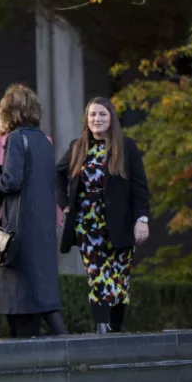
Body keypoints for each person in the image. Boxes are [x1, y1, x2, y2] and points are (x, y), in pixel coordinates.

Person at [56, 97, 150, 333]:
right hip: (87, 225)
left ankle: (116, 328)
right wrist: (64, 203)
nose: (96, 119)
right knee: (98, 276)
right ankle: (101, 329)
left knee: (118, 278)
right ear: (86, 120)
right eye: (92, 115)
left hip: (121, 224)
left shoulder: (126, 147)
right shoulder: (78, 147)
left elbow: (139, 187)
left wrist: (142, 219)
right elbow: (57, 174)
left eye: (102, 115)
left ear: (111, 119)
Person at [0, 84, 66, 338]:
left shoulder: (17, 138)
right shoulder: (43, 140)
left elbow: (12, 181)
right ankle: (71, 352)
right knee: (45, 303)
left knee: (19, 305)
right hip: (42, 230)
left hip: (19, 232)